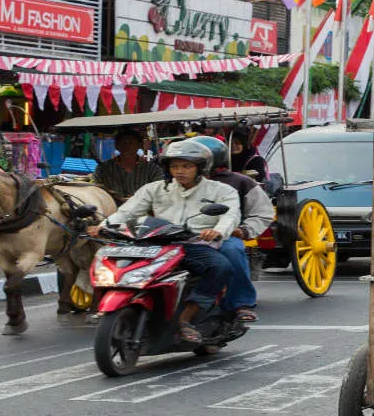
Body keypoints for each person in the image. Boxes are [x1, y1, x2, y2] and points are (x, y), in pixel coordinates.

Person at [89, 139, 241, 343]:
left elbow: (230, 215)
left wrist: (216, 231)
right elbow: (128, 211)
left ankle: (186, 317)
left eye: (186, 166)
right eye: (175, 166)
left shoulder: (221, 190)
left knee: (221, 266)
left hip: (193, 244)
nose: (180, 171)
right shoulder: (154, 188)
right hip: (154, 243)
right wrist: (104, 226)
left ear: (200, 168)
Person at [189, 135, 273, 323]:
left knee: (232, 250)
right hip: (184, 235)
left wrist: (242, 230)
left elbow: (263, 213)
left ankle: (240, 302)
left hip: (224, 235)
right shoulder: (176, 183)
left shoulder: (240, 182)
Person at [94, 129, 163, 203]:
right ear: (116, 145)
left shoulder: (152, 169)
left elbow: (159, 192)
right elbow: (96, 190)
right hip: (110, 210)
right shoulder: (103, 168)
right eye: (123, 142)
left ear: (140, 145)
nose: (127, 146)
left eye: (131, 142)